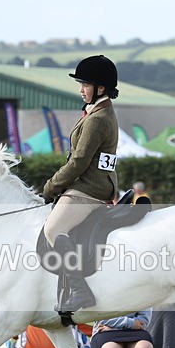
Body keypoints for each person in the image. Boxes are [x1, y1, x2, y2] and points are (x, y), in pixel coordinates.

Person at [41, 55, 119, 313]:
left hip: (90, 187)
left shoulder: (97, 118)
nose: (81, 89)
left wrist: (51, 186)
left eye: (85, 84)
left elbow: (78, 162)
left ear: (101, 88)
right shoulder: (99, 111)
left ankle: (80, 290)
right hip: (98, 182)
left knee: (53, 229)